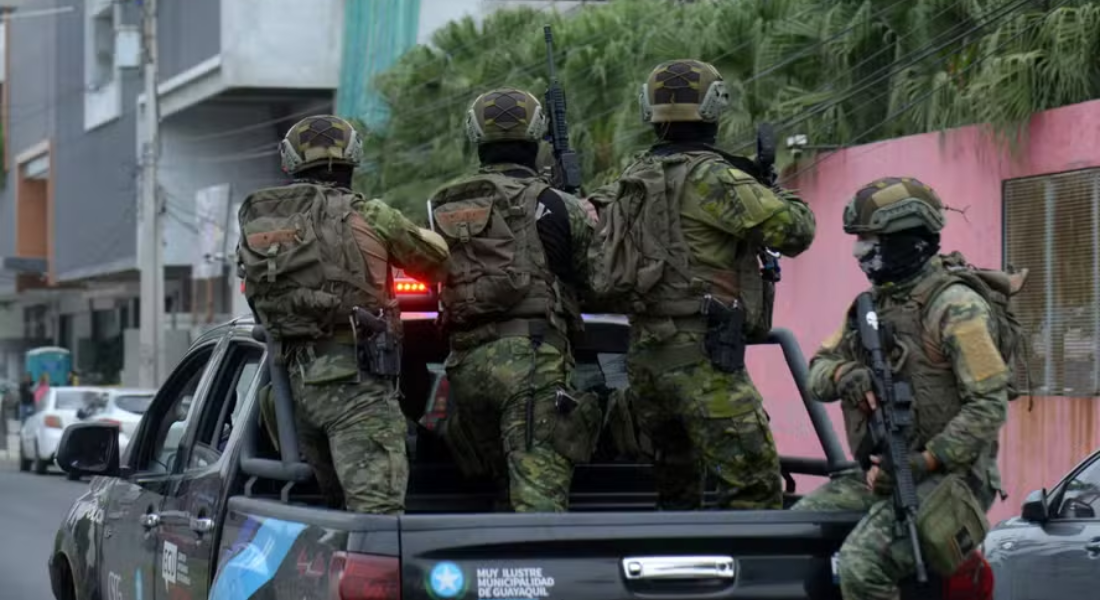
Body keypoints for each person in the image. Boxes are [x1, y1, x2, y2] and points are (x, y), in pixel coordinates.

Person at [592, 59, 816, 510]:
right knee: (754, 491)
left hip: (644, 363)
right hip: (705, 360)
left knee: (676, 497)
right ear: (715, 107)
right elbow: (796, 231)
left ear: (648, 109)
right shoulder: (715, 178)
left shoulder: (629, 178)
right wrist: (774, 189)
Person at [791, 177, 1012, 600]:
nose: (859, 251)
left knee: (862, 565)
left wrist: (925, 461)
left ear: (906, 241)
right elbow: (817, 371)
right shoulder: (870, 306)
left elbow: (988, 406)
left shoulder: (956, 307)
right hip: (884, 471)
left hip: (951, 478)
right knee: (797, 533)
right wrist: (845, 376)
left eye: (869, 239)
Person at [237, 115, 450, 514]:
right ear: (355, 158)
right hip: (359, 390)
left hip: (295, 392)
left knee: (336, 517)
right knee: (378, 520)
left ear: (290, 162)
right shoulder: (370, 215)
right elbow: (436, 263)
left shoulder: (268, 225)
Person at [429, 87, 598, 512]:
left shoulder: (443, 204)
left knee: (500, 495)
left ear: (475, 135)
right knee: (538, 505)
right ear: (538, 133)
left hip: (465, 370)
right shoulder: (559, 204)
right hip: (532, 362)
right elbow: (594, 280)